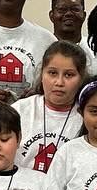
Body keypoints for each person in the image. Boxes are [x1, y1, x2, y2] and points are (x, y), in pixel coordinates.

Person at [15, 42, 86, 172]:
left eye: (69, 75)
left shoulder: (86, 117)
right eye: (52, 73)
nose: (59, 82)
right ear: (42, 74)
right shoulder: (19, 110)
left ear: (81, 79)